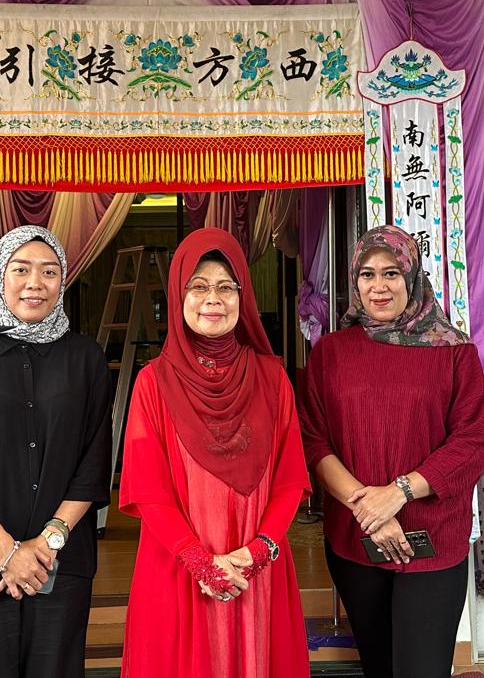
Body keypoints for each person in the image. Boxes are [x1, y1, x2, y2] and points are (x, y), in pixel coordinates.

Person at [299, 224, 484, 678]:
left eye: (391, 273)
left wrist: (397, 493)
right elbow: (314, 439)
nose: (378, 286)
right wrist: (370, 509)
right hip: (356, 536)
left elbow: (470, 443)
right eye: (367, 274)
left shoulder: (454, 351)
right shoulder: (330, 353)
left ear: (412, 276)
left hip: (432, 539)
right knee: (379, 666)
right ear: (355, 281)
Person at [119, 228, 310, 678]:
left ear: (243, 296)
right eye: (199, 286)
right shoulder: (153, 382)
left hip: (256, 566)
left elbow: (290, 478)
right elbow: (148, 489)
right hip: (178, 564)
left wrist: (259, 550)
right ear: (178, 295)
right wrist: (200, 562)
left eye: (226, 287)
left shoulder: (272, 378)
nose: (213, 299)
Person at [0, 225, 112, 678]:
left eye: (49, 272)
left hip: (60, 565)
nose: (35, 283)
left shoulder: (86, 359)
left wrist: (45, 546)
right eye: (21, 269)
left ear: (62, 281)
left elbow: (93, 465)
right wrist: (7, 551)